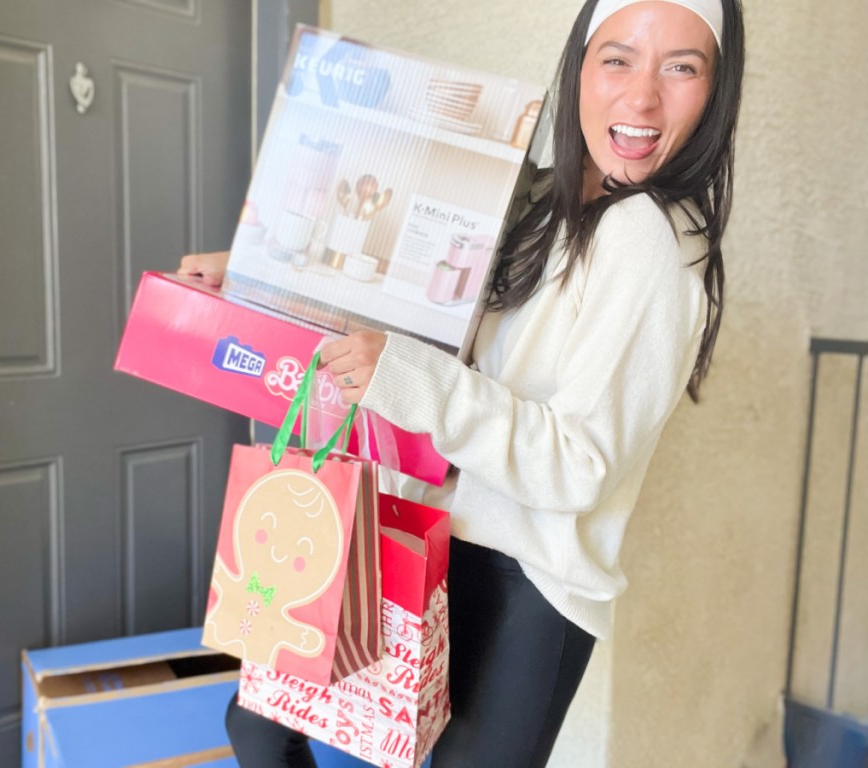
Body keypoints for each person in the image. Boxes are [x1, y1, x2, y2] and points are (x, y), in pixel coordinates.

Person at [179, 0, 745, 765]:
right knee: (260, 720)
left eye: (682, 67)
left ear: (715, 91)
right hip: (432, 535)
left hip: (524, 584)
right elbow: (406, 298)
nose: (642, 96)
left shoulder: (650, 239)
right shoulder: (545, 199)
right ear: (579, 67)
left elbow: (579, 463)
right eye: (617, 58)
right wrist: (252, 278)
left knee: (266, 724)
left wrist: (414, 383)